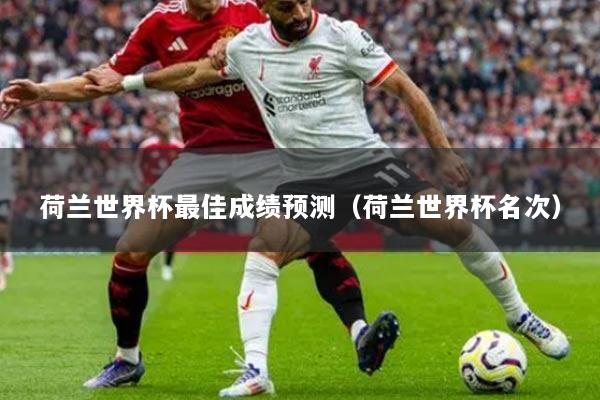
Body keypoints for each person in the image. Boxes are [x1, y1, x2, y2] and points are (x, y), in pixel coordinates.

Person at [93, 0, 571, 396]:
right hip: (306, 183)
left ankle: (521, 315)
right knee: (262, 257)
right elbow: (195, 74)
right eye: (287, 7)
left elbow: (406, 89)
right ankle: (256, 372)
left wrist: (442, 153)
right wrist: (130, 82)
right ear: (264, 8)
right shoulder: (246, 46)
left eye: (304, 2)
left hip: (368, 168)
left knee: (455, 225)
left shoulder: (343, 36)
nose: (300, 13)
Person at [0, 0, 398, 390]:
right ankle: (127, 360)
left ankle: (360, 334)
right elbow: (103, 79)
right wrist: (41, 92)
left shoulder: (253, 10)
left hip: (267, 151)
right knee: (131, 251)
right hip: (202, 156)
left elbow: (303, 38)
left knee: (312, 241)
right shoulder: (159, 23)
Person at [136, 112, 184, 282]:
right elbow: (138, 167)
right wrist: (143, 186)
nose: (165, 127)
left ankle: (167, 267)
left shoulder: (178, 147)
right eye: (161, 124)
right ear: (156, 126)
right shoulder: (147, 146)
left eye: (167, 123)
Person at [0, 121, 25, 291]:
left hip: (3, 183)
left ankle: (5, 250)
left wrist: (22, 170)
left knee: (2, 224)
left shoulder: (9, 131)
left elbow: (21, 153)